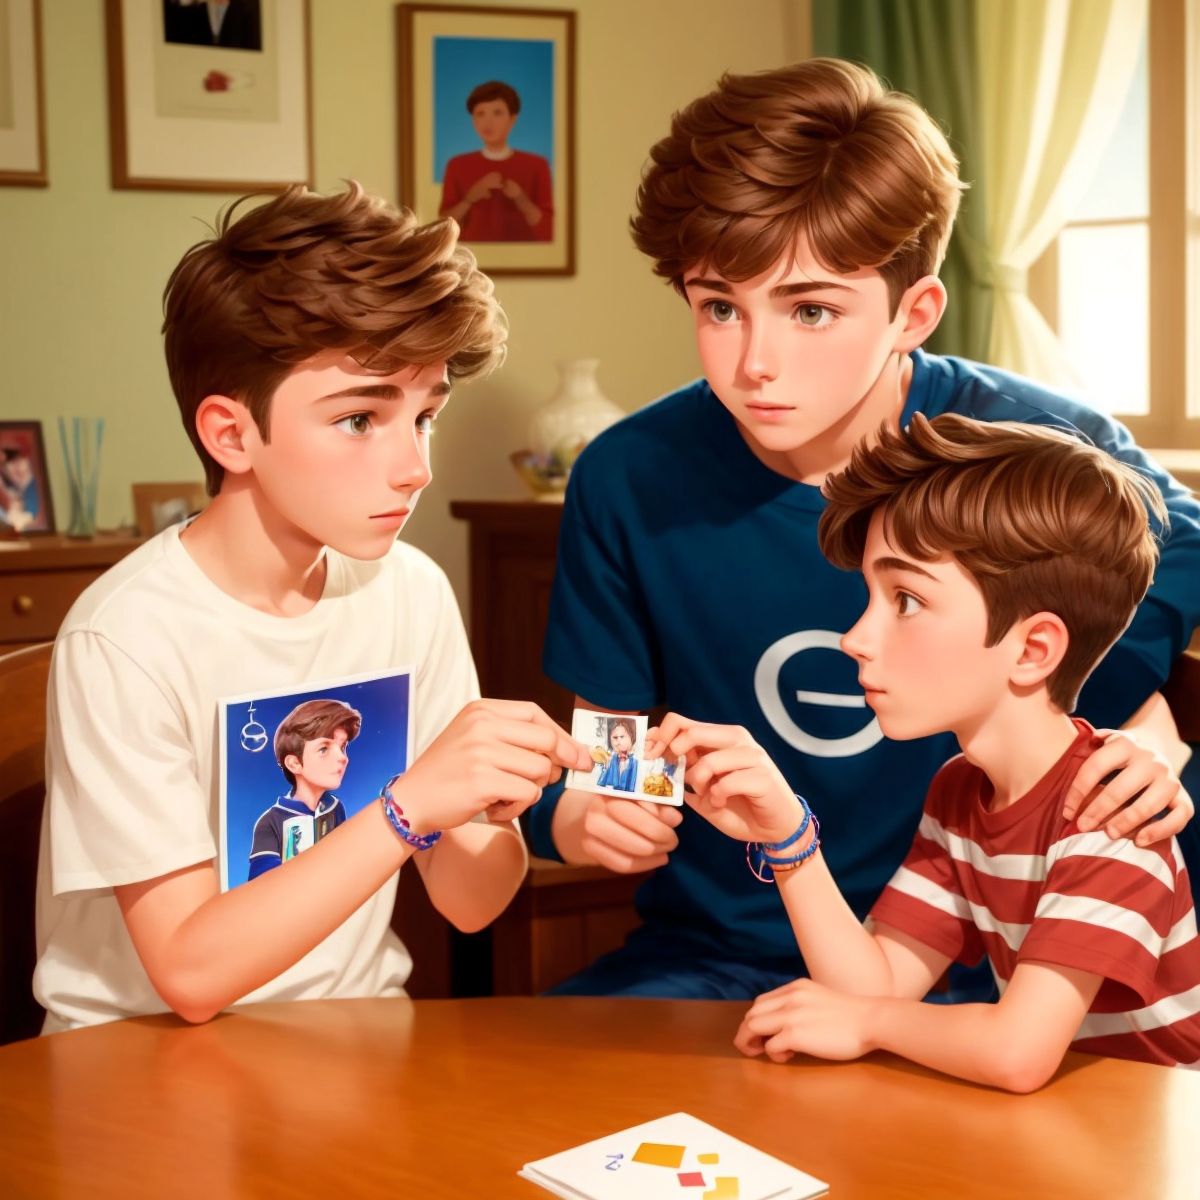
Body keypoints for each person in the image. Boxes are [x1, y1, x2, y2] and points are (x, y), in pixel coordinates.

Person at [529, 58, 1200, 1000]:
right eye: (720, 306)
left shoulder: (1048, 450)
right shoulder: (628, 478)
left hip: (1010, 967)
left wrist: (1159, 733)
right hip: (723, 964)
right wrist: (585, 816)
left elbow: (1182, 565)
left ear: (913, 313)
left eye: (810, 310)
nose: (756, 362)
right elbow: (610, 756)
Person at [34, 182, 592, 1033]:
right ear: (231, 434)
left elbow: (473, 905)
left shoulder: (411, 591)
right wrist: (409, 806)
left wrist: (491, 802)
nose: (415, 467)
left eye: (427, 415)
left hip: (350, 1044)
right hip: (134, 1063)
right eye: (361, 418)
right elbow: (189, 973)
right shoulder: (126, 638)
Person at [648, 414, 1200, 1088]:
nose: (855, 637)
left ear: (1032, 650)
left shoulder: (1106, 813)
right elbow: (876, 982)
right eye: (871, 596)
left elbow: (1015, 1053)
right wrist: (785, 833)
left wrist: (870, 1025)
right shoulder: (961, 790)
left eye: (905, 599)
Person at [247, 698, 361, 881]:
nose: (342, 757)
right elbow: (261, 888)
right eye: (324, 749)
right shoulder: (270, 822)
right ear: (294, 763)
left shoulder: (335, 808)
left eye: (343, 746)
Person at [440, 81, 553, 243]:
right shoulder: (457, 165)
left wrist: (520, 198)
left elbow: (550, 230)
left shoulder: (537, 165)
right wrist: (469, 199)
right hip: (469, 259)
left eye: (497, 113)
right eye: (480, 114)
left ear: (512, 119)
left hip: (526, 257)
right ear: (473, 119)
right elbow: (442, 225)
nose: (488, 122)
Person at [595, 717, 640, 793]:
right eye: (615, 738)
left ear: (632, 738)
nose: (618, 741)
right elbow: (601, 784)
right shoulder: (610, 761)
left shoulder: (635, 762)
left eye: (622, 737)